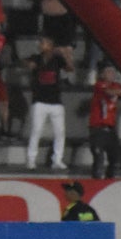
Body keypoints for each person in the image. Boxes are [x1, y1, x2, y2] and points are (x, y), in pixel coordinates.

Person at [25, 36, 73, 171]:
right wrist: (29, 65)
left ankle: (57, 159)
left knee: (60, 132)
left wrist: (65, 54)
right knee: (36, 130)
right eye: (41, 43)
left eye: (44, 43)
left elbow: (70, 68)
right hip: (39, 101)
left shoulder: (57, 59)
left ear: (51, 45)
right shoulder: (36, 58)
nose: (41, 45)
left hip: (56, 101)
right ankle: (31, 159)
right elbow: (27, 63)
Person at [88, 63, 121, 180]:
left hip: (110, 128)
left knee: (114, 158)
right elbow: (111, 92)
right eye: (109, 72)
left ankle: (109, 179)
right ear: (102, 74)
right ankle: (96, 182)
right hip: (98, 128)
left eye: (113, 72)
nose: (112, 74)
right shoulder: (100, 85)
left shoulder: (116, 86)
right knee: (99, 159)